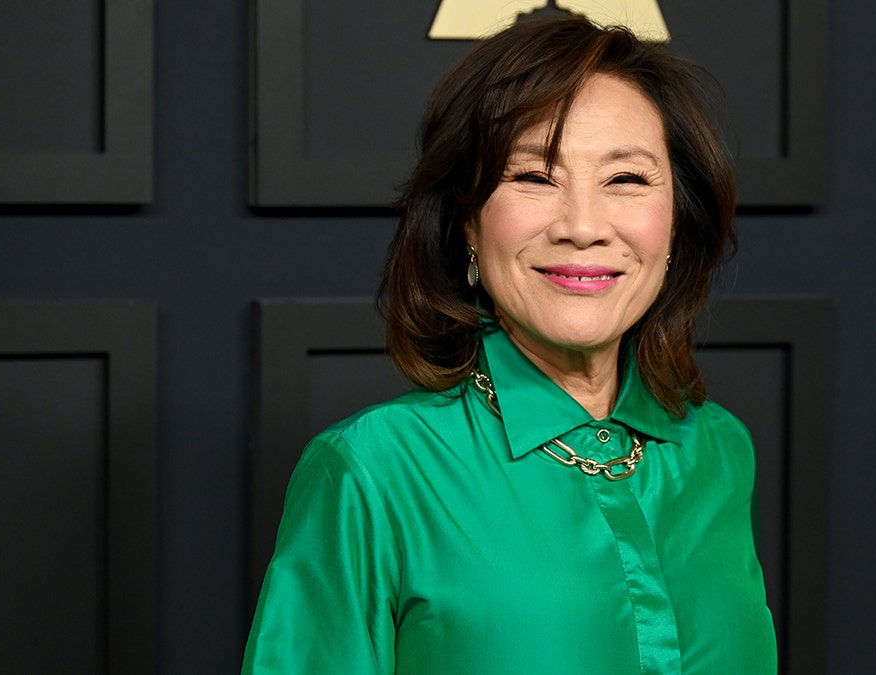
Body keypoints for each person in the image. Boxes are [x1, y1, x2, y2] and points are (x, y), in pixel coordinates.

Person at [242, 16, 776, 674]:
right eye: (534, 177)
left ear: (677, 224)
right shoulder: (370, 470)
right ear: (468, 219)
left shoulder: (720, 450)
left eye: (627, 180)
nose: (582, 227)